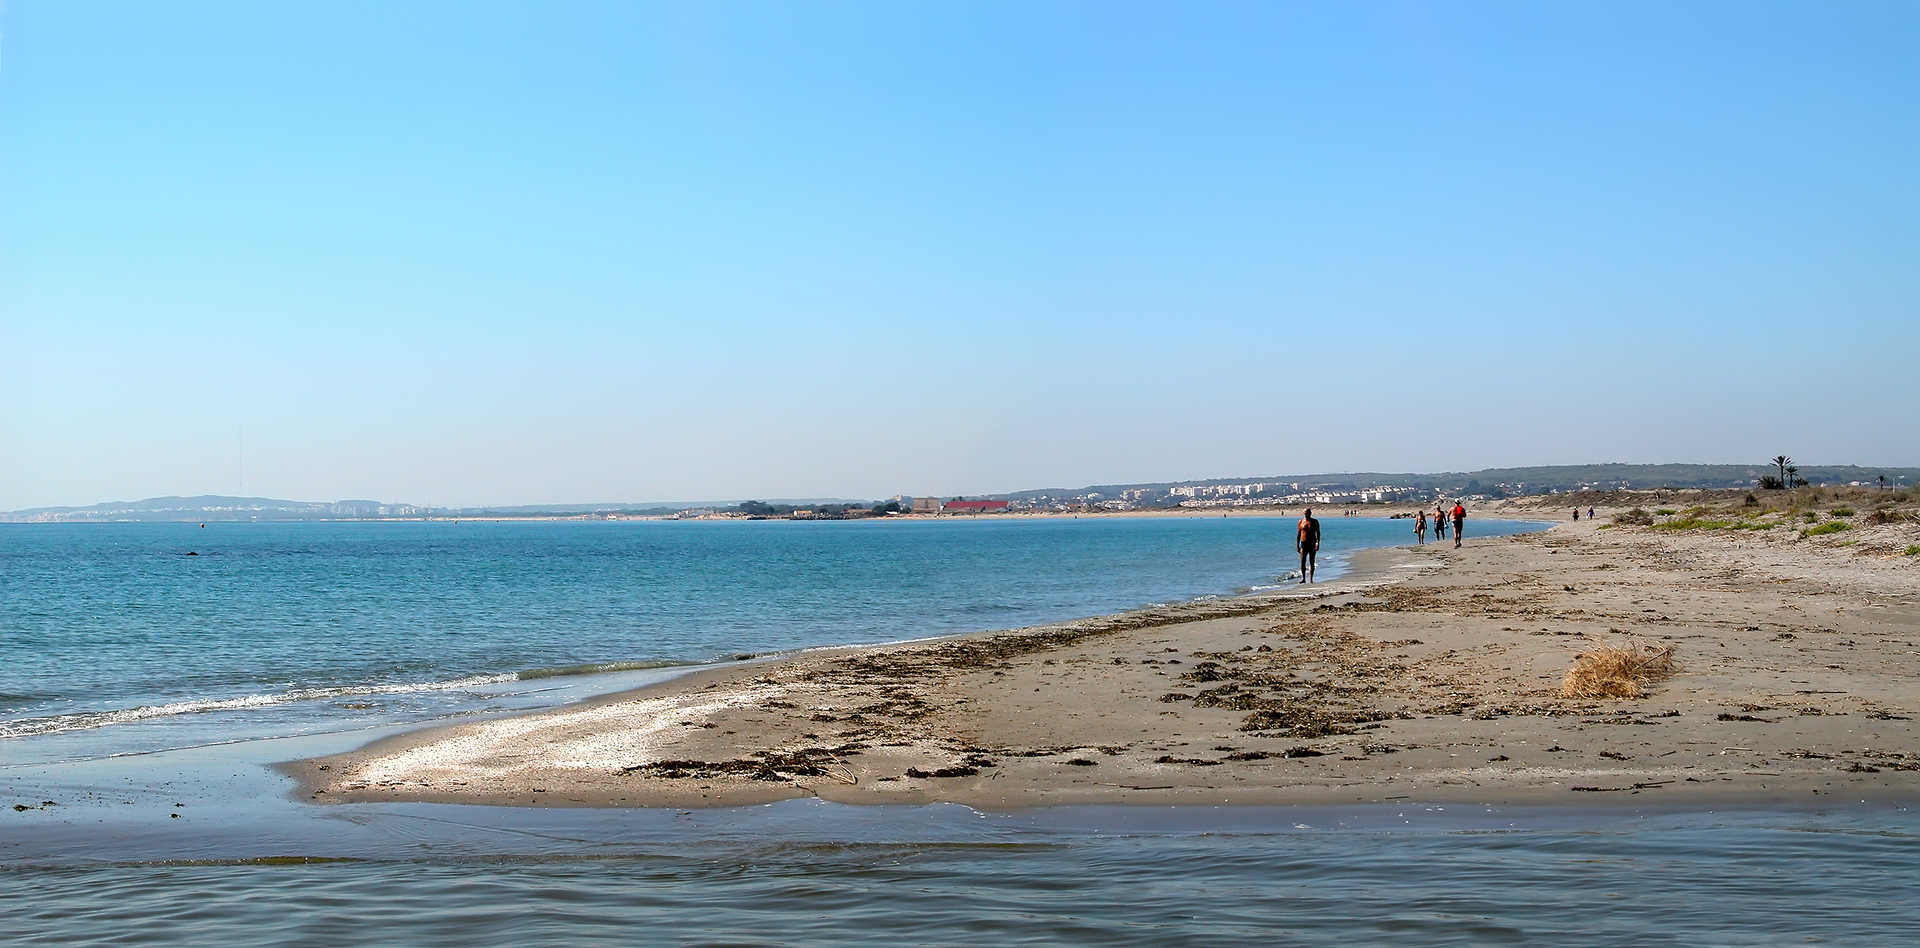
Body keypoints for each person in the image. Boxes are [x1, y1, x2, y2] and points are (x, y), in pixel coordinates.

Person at [1296, 507, 1321, 583]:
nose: (1307, 514)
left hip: (1312, 543)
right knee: (1302, 561)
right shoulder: (1301, 522)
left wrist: (1317, 543)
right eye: (1306, 512)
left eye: (1309, 512)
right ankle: (1303, 578)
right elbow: (1298, 534)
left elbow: (1318, 533)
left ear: (1310, 513)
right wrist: (1297, 545)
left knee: (1311, 561)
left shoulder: (1314, 521)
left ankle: (1311, 579)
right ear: (1304, 513)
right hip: (1303, 543)